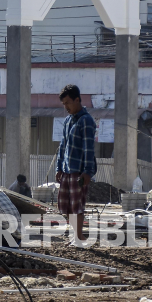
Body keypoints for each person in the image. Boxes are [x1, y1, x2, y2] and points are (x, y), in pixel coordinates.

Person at [55, 84, 96, 241]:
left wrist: (87, 171)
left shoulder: (86, 121)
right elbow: (62, 147)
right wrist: (59, 167)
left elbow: (89, 149)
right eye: (64, 104)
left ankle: (79, 236)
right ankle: (75, 235)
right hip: (66, 170)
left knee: (77, 206)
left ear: (77, 100)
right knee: (66, 206)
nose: (66, 107)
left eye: (68, 103)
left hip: (79, 171)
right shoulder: (67, 121)